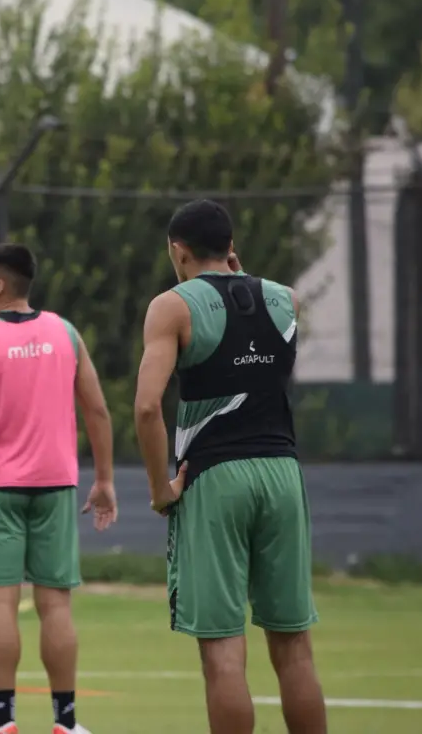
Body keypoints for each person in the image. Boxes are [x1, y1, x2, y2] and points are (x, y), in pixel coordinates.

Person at [134, 199, 326, 734]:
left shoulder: (171, 306)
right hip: (283, 474)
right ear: (231, 247)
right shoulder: (285, 299)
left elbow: (148, 406)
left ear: (179, 251)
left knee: (222, 653)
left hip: (214, 477)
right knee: (294, 648)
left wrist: (160, 489)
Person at [0, 243, 116, 734]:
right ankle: (66, 722)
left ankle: (3, 722)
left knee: (0, 603)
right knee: (55, 604)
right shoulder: (65, 332)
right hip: (56, 483)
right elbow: (98, 410)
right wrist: (103, 480)